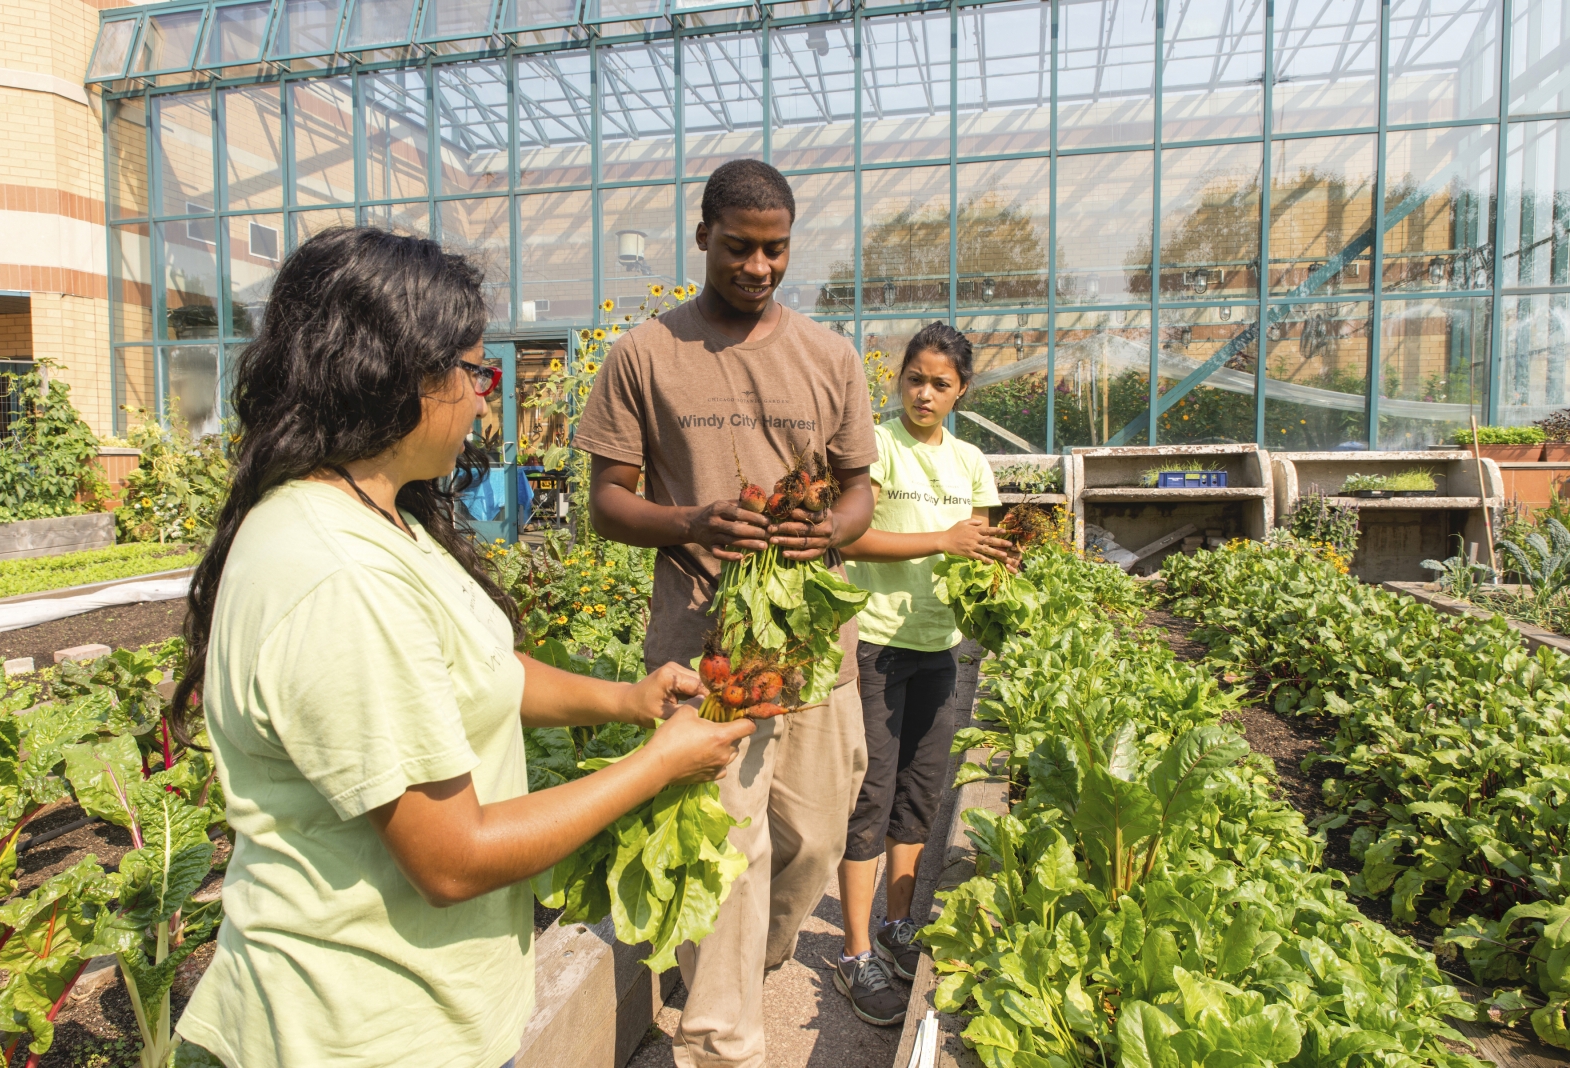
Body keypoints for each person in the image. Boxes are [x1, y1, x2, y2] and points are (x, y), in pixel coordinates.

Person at [166, 227, 756, 1068]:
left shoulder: (380, 517)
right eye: (474, 372)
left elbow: (482, 670)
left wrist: (624, 700)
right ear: (399, 372)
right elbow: (453, 856)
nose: (485, 398)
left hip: (424, 1018)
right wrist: (657, 763)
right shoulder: (340, 577)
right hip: (350, 1035)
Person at [575, 158, 878, 1067]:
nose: (758, 267)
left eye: (775, 249)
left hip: (816, 648)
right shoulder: (646, 355)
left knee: (816, 833)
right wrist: (692, 520)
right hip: (704, 651)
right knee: (731, 852)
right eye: (740, 247)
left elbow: (862, 492)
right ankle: (719, 1043)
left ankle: (759, 955)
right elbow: (606, 501)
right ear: (702, 236)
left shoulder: (828, 356)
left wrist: (824, 533)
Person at [835, 322, 1009, 1025]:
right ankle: (853, 956)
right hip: (876, 644)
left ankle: (897, 926)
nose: (924, 393)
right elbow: (847, 532)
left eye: (941, 383)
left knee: (919, 792)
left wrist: (1004, 573)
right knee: (870, 797)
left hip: (939, 647)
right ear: (898, 379)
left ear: (962, 391)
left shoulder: (971, 462)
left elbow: (986, 549)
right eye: (915, 378)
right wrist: (941, 537)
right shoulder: (874, 447)